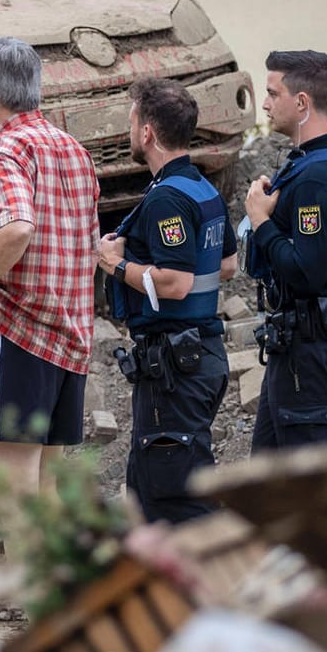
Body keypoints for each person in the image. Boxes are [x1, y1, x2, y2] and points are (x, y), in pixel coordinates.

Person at [0, 37, 99, 504]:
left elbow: (15, 228)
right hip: (67, 341)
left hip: (16, 336)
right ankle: (54, 580)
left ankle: (24, 579)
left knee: (14, 499)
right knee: (45, 492)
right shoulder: (72, 148)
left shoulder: (4, 151)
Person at [96, 78, 236, 524]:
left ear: (147, 133)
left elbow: (175, 282)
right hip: (197, 356)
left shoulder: (168, 200)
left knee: (175, 496)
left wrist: (115, 265)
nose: (129, 130)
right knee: (151, 487)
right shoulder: (203, 188)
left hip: (175, 367)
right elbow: (228, 264)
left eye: (131, 119)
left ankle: (210, 586)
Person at [243, 50, 327, 452]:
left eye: (272, 93)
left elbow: (307, 271)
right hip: (300, 346)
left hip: (311, 347)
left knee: (311, 491)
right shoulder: (324, 163)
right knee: (267, 483)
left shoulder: (319, 176)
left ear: (301, 103)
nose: (264, 103)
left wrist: (260, 221)